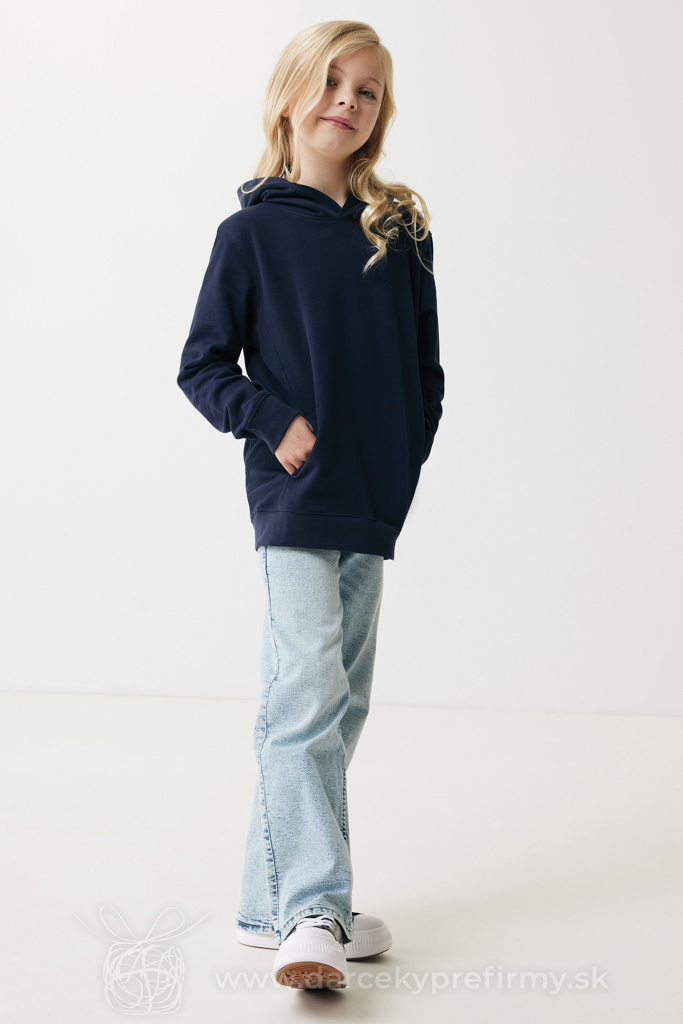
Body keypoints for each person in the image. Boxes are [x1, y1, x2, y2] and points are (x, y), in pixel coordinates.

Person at [176, 20, 445, 990]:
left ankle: (270, 904)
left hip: (371, 502)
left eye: (366, 89)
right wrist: (270, 419)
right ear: (289, 96)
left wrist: (401, 464)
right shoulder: (248, 235)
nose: (346, 100)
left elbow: (425, 373)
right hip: (293, 500)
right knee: (305, 693)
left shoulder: (398, 231)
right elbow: (202, 366)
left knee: (342, 700)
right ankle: (313, 910)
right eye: (330, 81)